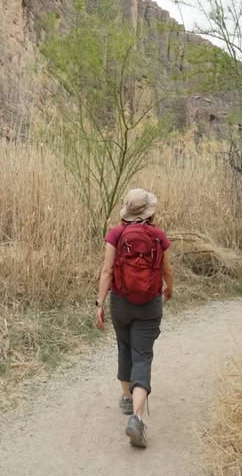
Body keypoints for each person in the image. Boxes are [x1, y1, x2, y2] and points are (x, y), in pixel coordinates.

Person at [94, 188, 173, 449]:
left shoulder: (115, 234)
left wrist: (99, 303)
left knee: (124, 345)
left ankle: (126, 398)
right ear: (149, 212)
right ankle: (137, 418)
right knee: (143, 355)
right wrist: (169, 288)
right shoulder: (158, 236)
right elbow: (167, 270)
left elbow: (107, 270)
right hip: (149, 305)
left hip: (120, 302)